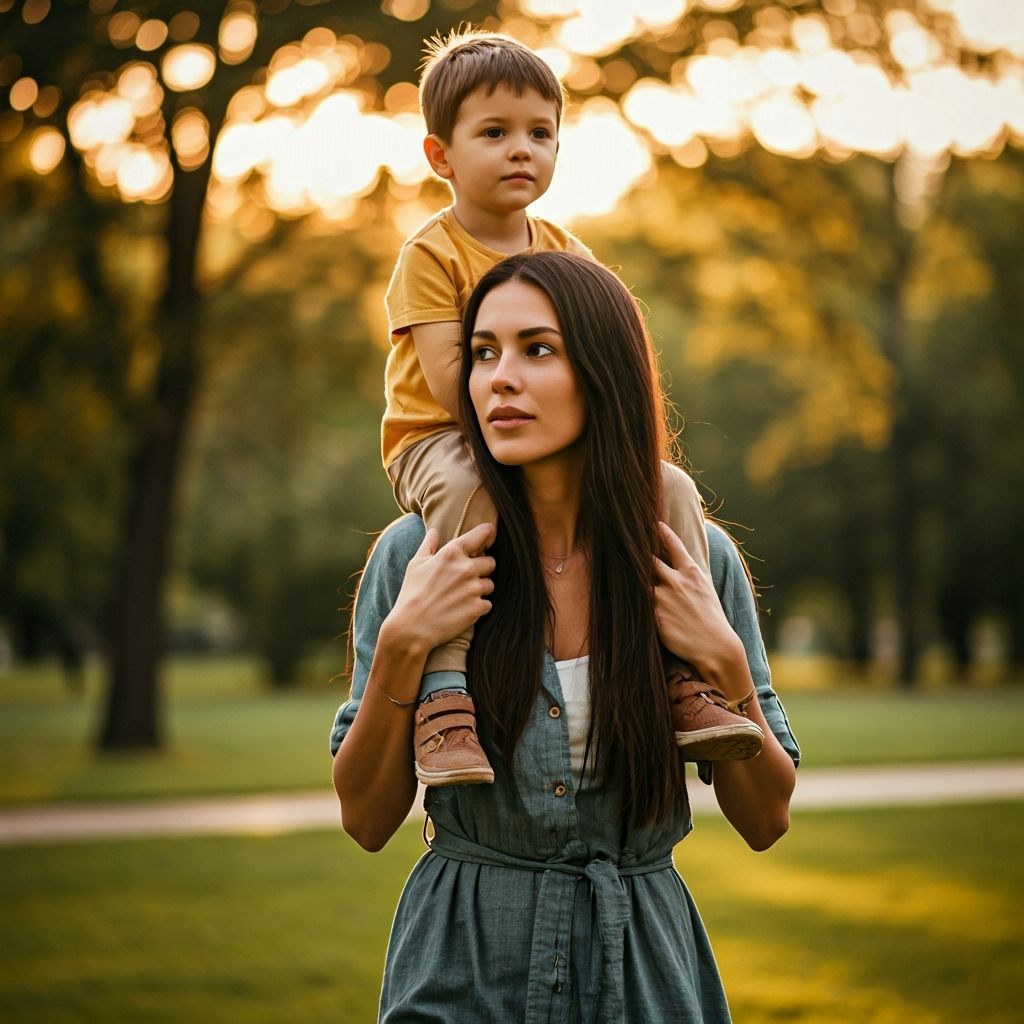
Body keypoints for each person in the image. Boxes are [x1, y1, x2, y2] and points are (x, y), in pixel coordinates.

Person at [332, 251, 800, 1023]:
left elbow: (767, 821)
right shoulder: (415, 556)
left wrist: (721, 662)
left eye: (536, 349)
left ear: (604, 373)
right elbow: (366, 820)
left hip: (644, 977)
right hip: (461, 974)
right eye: (483, 352)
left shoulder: (691, 557)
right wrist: (404, 645)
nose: (498, 378)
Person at [382, 29, 759, 787]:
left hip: (532, 446)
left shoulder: (568, 254)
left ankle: (686, 677)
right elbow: (459, 380)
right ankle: (447, 694)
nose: (522, 149)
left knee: (671, 487)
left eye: (540, 133)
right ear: (440, 157)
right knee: (469, 487)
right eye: (494, 133)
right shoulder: (431, 255)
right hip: (441, 442)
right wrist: (525, 444)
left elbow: (603, 370)